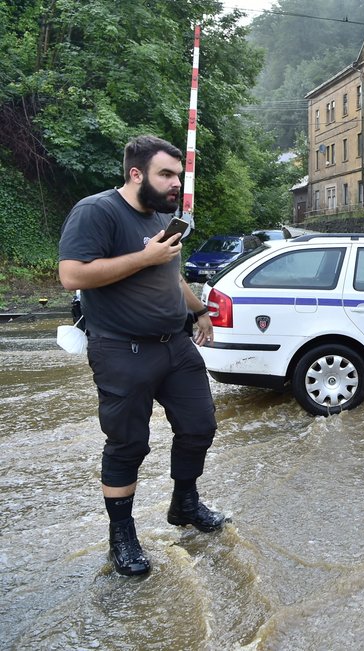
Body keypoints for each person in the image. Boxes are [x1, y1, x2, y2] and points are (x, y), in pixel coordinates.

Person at [59, 135, 226, 577]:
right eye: (166, 175)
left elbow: (169, 275)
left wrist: (200, 310)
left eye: (177, 175)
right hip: (120, 349)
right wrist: (143, 256)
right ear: (136, 174)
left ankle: (184, 503)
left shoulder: (168, 216)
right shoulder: (97, 211)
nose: (175, 184)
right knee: (128, 443)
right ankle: (122, 537)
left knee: (200, 426)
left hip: (175, 344)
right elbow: (72, 274)